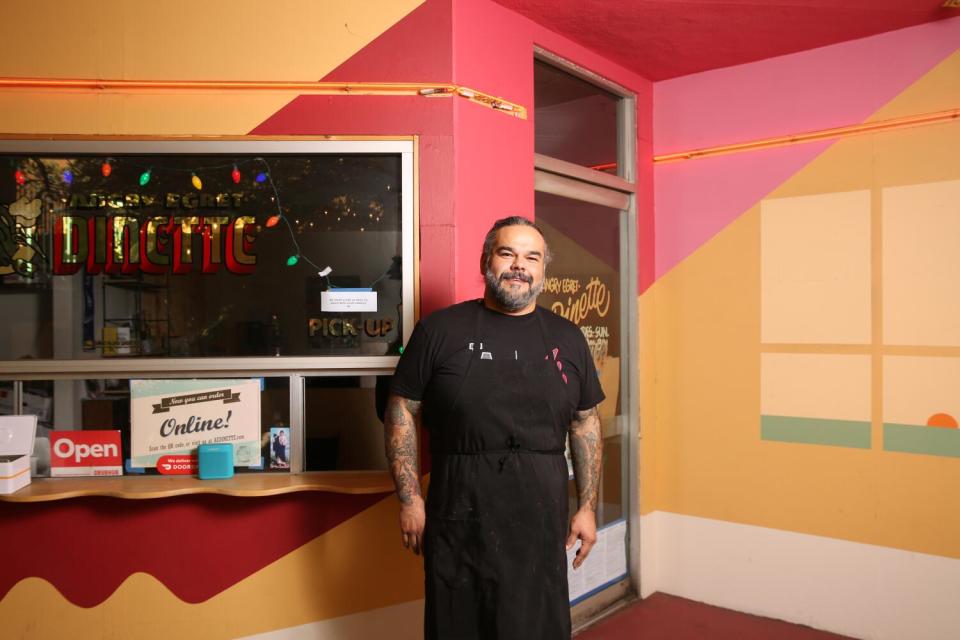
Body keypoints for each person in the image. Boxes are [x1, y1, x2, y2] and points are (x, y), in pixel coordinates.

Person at [384, 216, 604, 639]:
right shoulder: (439, 331)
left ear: (542, 270)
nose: (519, 265)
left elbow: (585, 423)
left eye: (531, 257)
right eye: (508, 254)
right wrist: (410, 498)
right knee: (459, 623)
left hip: (540, 509)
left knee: (534, 624)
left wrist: (587, 506)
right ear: (487, 261)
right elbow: (401, 410)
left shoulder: (569, 337)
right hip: (459, 506)